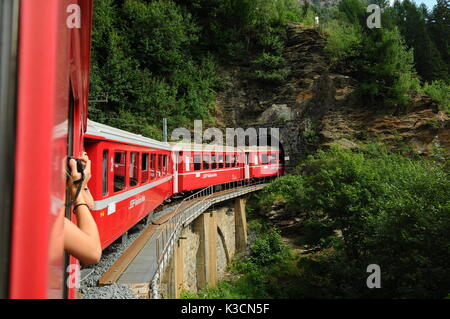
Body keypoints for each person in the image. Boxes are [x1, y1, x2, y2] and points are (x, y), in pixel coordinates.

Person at [64, 152, 101, 265]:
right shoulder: (46, 217)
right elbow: (94, 253)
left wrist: (82, 186)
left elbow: (90, 204)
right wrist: (76, 190)